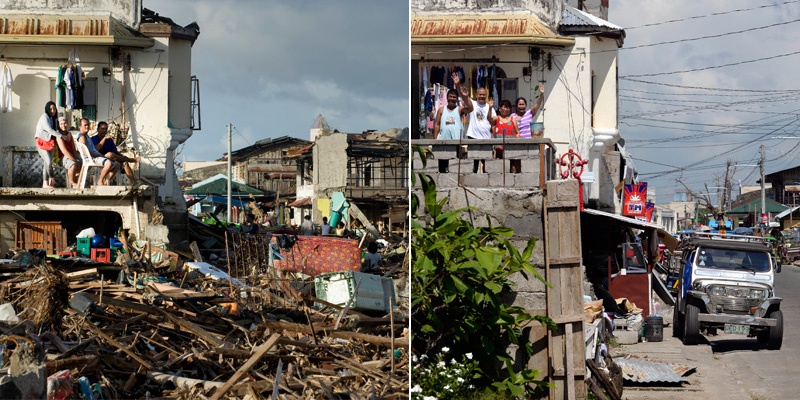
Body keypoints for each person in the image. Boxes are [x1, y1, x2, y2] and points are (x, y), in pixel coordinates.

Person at [91, 121, 141, 185]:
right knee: (110, 154)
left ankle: (134, 183)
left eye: (105, 129)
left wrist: (122, 157)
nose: (104, 131)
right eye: (102, 129)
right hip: (99, 158)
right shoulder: (93, 139)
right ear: (98, 130)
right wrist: (104, 139)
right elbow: (96, 149)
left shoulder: (109, 140)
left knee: (124, 163)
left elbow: (115, 151)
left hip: (111, 158)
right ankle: (131, 160)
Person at [76, 118, 117, 186]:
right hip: (92, 158)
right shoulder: (82, 137)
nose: (87, 127)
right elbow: (87, 153)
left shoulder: (87, 136)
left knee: (117, 164)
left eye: (88, 125)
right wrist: (100, 156)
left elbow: (93, 149)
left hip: (96, 156)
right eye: (85, 125)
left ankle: (105, 183)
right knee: (108, 163)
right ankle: (100, 181)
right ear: (80, 126)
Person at [433, 73, 473, 140]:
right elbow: (437, 124)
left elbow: (470, 109)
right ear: (447, 98)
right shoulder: (441, 110)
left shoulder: (459, 109)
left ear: (457, 99)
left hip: (457, 142)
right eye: (450, 97)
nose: (452, 99)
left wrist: (465, 97)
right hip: (443, 142)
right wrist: (435, 140)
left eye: (454, 97)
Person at [455, 74, 494, 140]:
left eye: (484, 95)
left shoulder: (489, 107)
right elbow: (464, 96)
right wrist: (458, 85)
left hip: (486, 137)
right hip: (473, 136)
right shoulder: (473, 104)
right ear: (476, 95)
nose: (482, 96)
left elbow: (492, 121)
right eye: (480, 94)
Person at [34, 101, 61, 188]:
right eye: (51, 109)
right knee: (48, 161)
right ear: (47, 109)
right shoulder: (44, 117)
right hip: (42, 142)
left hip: (51, 142)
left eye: (54, 109)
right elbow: (49, 129)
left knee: (47, 163)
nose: (53, 111)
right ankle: (52, 177)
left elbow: (56, 130)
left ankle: (45, 183)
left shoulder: (54, 119)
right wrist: (61, 136)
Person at [54, 117, 81, 188]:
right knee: (73, 165)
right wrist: (75, 160)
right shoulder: (58, 136)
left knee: (81, 163)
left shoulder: (70, 135)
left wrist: (79, 159)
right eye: (61, 124)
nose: (63, 125)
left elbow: (74, 150)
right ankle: (73, 183)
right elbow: (64, 151)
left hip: (70, 156)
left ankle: (79, 182)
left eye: (65, 123)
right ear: (58, 125)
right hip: (61, 157)